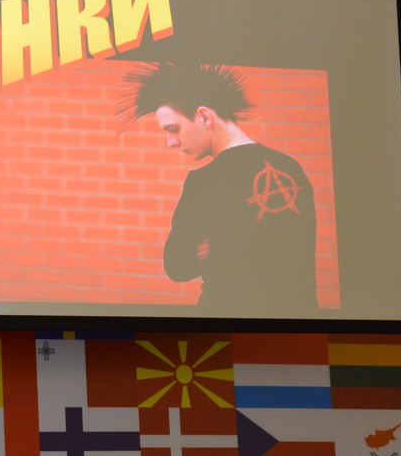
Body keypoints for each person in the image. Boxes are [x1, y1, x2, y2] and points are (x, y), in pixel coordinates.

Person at [120, 62, 317, 312]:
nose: (170, 142)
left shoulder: (204, 182)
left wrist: (206, 249)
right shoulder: (291, 168)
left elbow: (176, 265)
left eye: (173, 129)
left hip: (226, 324)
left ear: (204, 116)